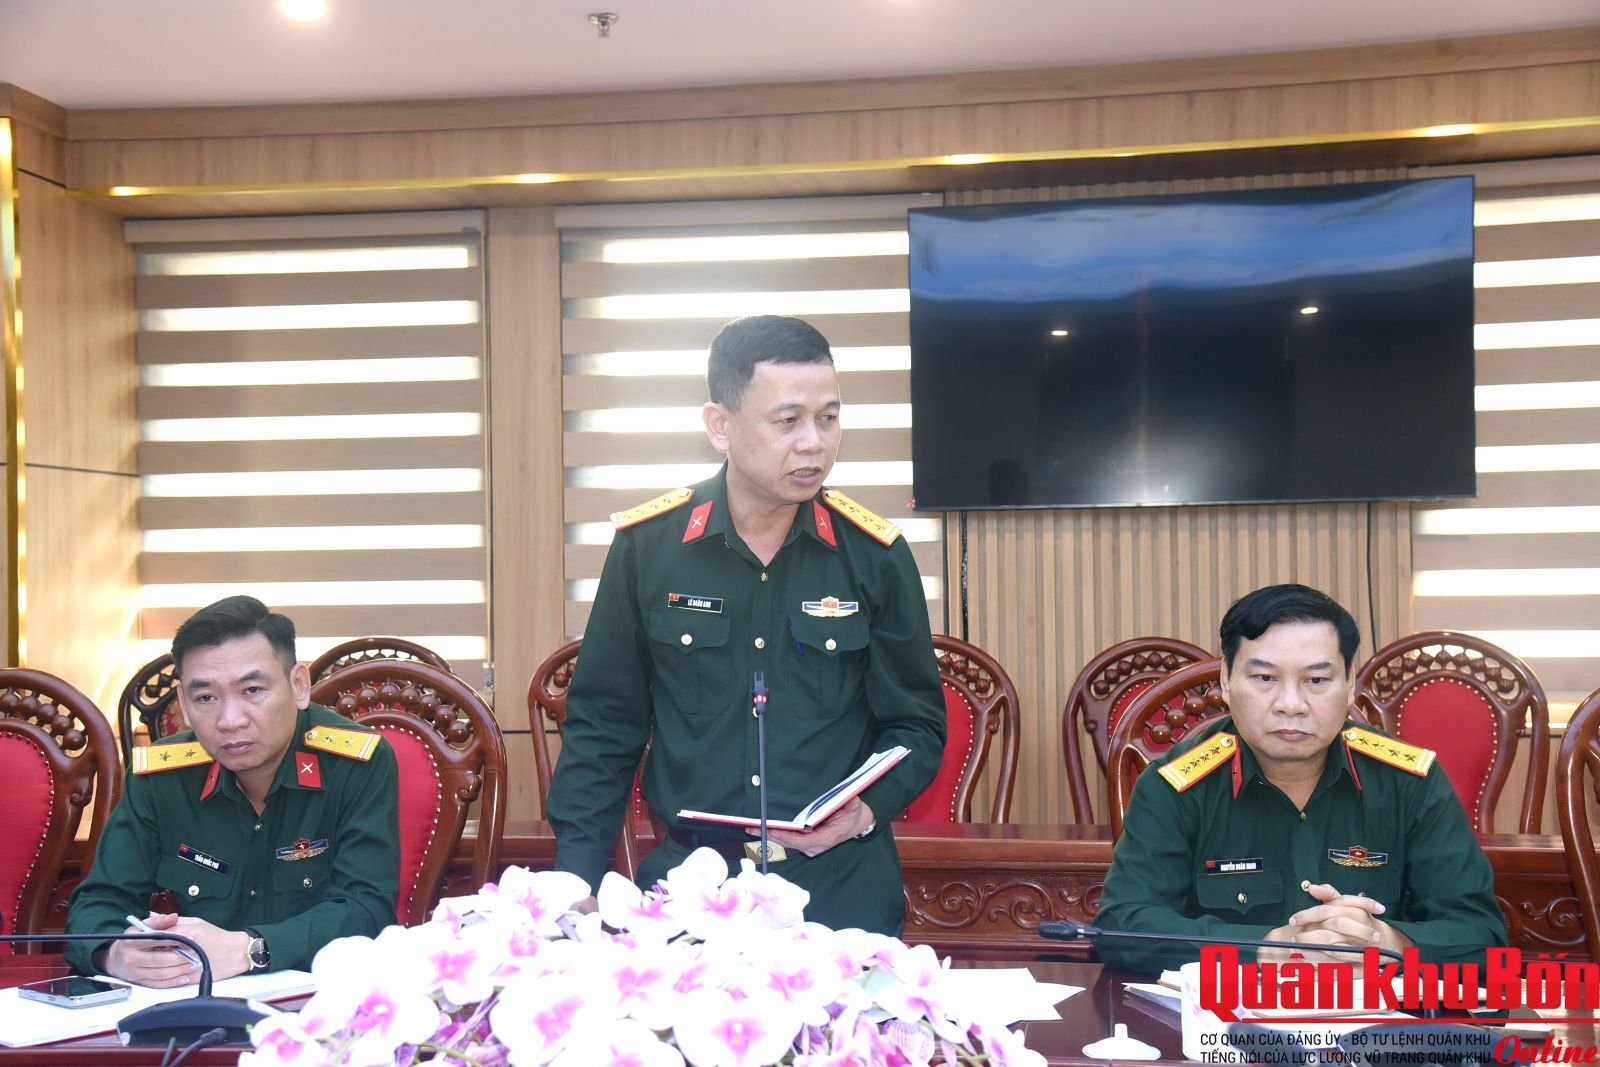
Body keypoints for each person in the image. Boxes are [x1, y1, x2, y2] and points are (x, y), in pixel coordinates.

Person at [547, 314, 946, 935]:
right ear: (720, 425)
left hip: (839, 894)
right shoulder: (649, 548)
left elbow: (916, 726)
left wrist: (866, 810)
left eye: (829, 418)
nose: (814, 442)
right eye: (788, 421)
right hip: (690, 893)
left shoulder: (875, 556)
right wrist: (574, 881)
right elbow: (603, 726)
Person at [1094, 583, 1507, 972]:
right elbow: (1120, 927)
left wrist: (1387, 941)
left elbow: (1482, 934)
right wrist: (1264, 946)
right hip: (1223, 1017)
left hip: (1372, 1016)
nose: (1291, 705)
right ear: (1226, 681)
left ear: (1349, 684)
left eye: (1316, 680)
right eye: (1264, 678)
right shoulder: (1175, 785)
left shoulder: (1408, 780)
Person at [66, 596, 399, 986]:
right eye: (206, 698)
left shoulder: (355, 763)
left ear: (298, 685)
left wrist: (249, 948)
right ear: (184, 704)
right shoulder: (161, 777)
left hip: (320, 998)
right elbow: (97, 903)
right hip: (191, 1001)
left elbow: (367, 910)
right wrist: (115, 952)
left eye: (252, 690)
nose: (230, 720)